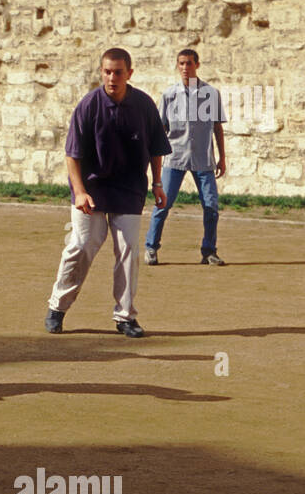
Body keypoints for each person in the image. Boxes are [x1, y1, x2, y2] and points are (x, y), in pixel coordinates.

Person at [45, 47, 170, 338]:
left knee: (128, 251)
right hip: (92, 188)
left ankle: (125, 317)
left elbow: (155, 149)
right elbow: (72, 155)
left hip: (129, 189)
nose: (112, 77)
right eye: (107, 71)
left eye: (118, 72)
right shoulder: (88, 106)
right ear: (101, 72)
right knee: (83, 245)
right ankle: (58, 306)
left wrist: (158, 183)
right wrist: (79, 192)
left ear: (129, 73)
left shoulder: (144, 105)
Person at [144, 48, 227, 265]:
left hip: (203, 158)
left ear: (197, 65)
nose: (184, 67)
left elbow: (217, 127)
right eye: (181, 63)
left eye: (189, 63)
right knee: (163, 204)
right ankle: (151, 247)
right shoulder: (169, 95)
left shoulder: (211, 93)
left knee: (211, 206)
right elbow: (160, 130)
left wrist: (222, 157)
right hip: (175, 157)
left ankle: (209, 251)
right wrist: (157, 160)